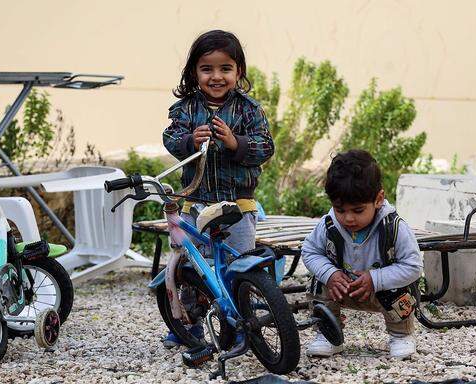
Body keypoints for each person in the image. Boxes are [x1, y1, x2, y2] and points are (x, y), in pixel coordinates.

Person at [161, 29, 274, 347]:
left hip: (236, 206)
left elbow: (265, 146)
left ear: (239, 72)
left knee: (239, 268)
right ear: (194, 73)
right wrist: (187, 141)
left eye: (225, 68)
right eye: (207, 68)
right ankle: (188, 324)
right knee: (195, 268)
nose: (216, 76)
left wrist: (234, 141)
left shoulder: (249, 110)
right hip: (195, 202)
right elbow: (170, 138)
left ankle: (240, 326)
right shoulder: (185, 109)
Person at [301, 149, 423, 359]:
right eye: (340, 210)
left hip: (383, 292)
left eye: (358, 211)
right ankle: (329, 335)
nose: (348, 218)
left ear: (378, 199)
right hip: (343, 288)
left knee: (400, 287)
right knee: (318, 281)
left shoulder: (393, 227)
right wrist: (330, 274)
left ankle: (401, 335)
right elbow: (310, 251)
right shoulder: (328, 225)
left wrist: (376, 279)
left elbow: (413, 266)